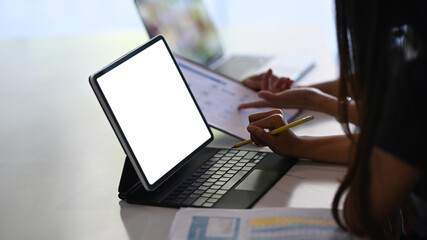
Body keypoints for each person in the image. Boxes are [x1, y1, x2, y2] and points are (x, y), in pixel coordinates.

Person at [238, 1, 427, 238]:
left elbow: (359, 214)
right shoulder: (416, 41)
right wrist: (299, 139)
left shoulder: (418, 80)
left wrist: (318, 101)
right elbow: (395, 131)